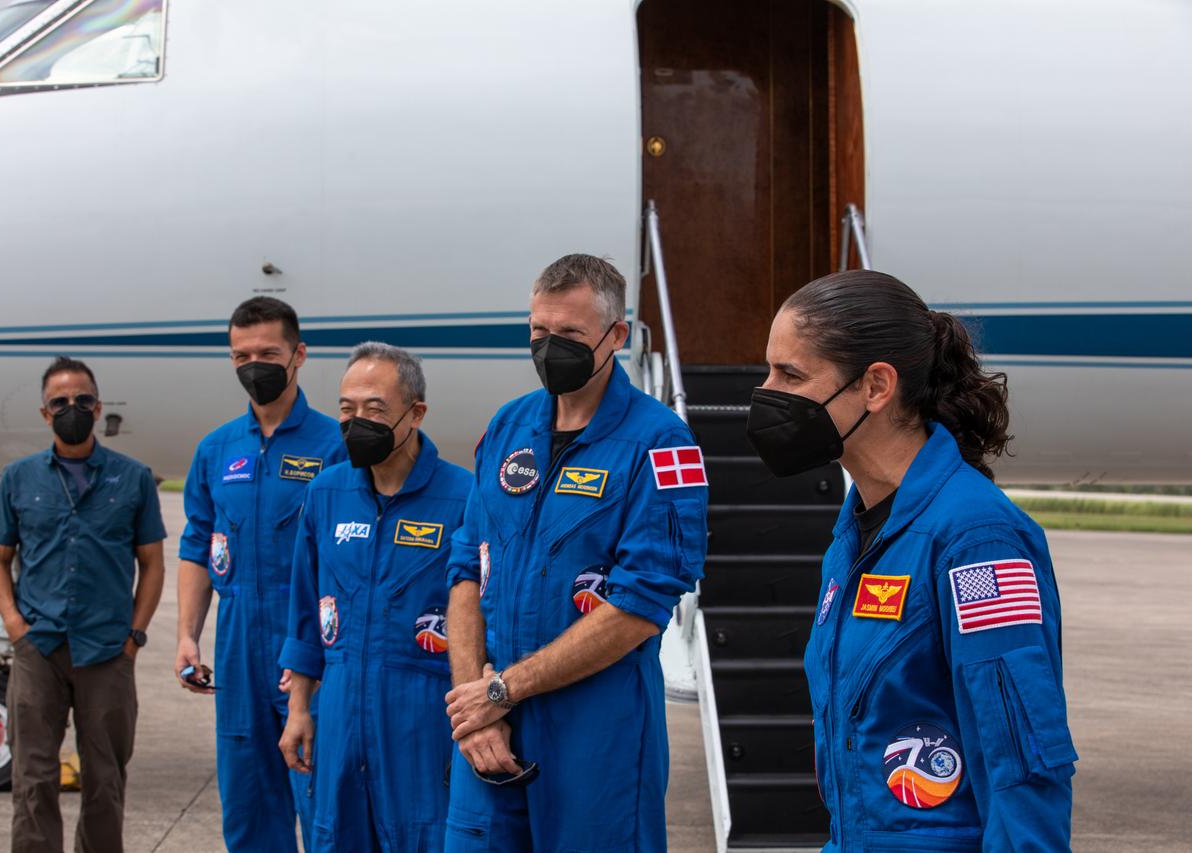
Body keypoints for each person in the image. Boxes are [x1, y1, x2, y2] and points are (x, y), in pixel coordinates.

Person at [745, 270, 1076, 851]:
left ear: (876, 386)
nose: (767, 392)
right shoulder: (856, 532)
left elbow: (1021, 762)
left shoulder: (976, 539)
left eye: (791, 375)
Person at [441, 254, 708, 851]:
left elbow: (642, 603)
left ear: (617, 336)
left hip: (598, 738)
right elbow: (465, 568)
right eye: (539, 333)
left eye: (569, 335)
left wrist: (503, 690)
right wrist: (473, 708)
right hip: (490, 732)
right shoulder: (507, 428)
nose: (549, 348)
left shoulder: (662, 443)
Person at [278, 341, 471, 852]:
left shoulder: (464, 498)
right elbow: (304, 612)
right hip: (338, 712)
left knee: (424, 838)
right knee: (336, 836)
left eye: (374, 409)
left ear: (416, 412)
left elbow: (483, 617)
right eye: (346, 409)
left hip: (425, 716)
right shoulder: (326, 493)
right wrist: (299, 709)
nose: (356, 420)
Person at [175, 297, 346, 852]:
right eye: (241, 354)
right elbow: (198, 546)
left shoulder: (336, 445)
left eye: (267, 352)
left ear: (298, 355)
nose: (254, 364)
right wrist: (186, 634)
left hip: (311, 638)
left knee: (322, 800)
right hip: (238, 639)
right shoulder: (215, 449)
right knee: (248, 803)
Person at [0, 356, 166, 853]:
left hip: (108, 651)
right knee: (33, 778)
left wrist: (134, 637)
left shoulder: (132, 479)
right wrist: (15, 627)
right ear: (45, 413)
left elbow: (152, 564)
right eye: (60, 403)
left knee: (106, 781)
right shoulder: (18, 479)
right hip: (38, 650)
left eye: (83, 401)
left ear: (98, 406)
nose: (72, 409)